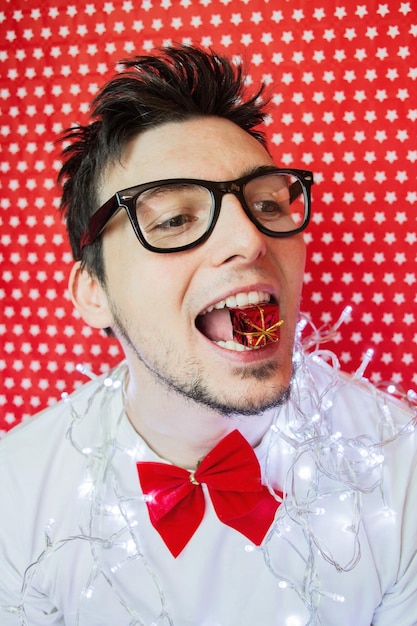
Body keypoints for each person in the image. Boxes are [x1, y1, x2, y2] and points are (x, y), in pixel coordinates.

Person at [0, 45, 416, 626]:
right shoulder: (15, 492)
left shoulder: (402, 467)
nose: (250, 240)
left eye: (268, 204)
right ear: (93, 292)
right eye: (174, 219)